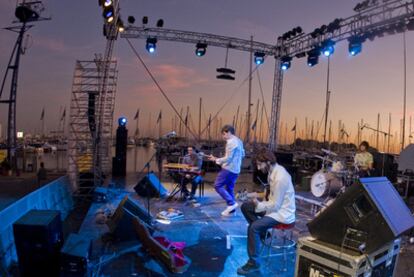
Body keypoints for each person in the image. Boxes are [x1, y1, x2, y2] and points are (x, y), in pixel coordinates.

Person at [237, 149, 296, 275]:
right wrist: (248, 196)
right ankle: (264, 233)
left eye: (260, 164)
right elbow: (268, 195)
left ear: (268, 162)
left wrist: (259, 204)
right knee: (245, 207)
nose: (258, 168)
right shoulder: (272, 172)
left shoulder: (280, 177)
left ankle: (254, 263)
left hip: (282, 214)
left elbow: (275, 205)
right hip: (274, 209)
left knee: (253, 228)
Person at [208, 125, 245, 216]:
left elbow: (228, 158)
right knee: (229, 188)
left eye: (224, 134)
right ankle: (231, 210)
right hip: (236, 169)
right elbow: (243, 154)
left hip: (228, 169)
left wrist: (216, 160)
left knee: (217, 185)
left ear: (229, 132)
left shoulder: (231, 142)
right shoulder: (239, 141)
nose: (223, 136)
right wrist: (217, 158)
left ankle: (231, 203)